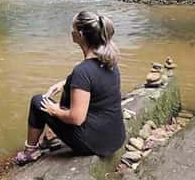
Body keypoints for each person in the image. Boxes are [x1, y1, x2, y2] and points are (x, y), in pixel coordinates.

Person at [15, 11, 125, 165]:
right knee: (68, 89)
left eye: (73, 28)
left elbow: (76, 118)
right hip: (115, 137)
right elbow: (93, 80)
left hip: (94, 144)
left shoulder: (82, 71)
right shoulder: (109, 61)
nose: (71, 31)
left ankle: (30, 151)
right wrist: (65, 83)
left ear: (79, 34)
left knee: (38, 102)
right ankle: (51, 137)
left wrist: (53, 109)